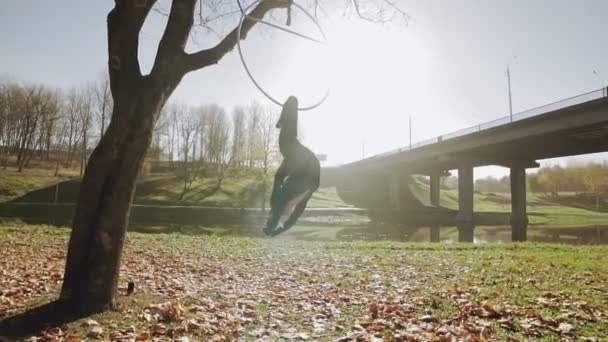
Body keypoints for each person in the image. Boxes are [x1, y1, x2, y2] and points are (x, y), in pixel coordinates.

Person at [263, 96, 320, 236]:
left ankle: (286, 114)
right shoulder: (300, 203)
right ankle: (293, 102)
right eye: (286, 212)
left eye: (283, 211)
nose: (287, 213)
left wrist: (273, 229)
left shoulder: (283, 195)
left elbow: (278, 187)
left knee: (285, 146)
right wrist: (279, 228)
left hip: (296, 166)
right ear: (288, 210)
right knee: (288, 143)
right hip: (308, 162)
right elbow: (293, 219)